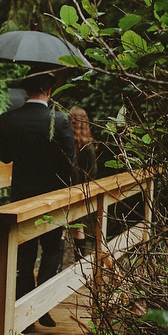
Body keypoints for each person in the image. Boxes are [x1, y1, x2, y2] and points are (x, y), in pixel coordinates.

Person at [0, 72, 76, 329]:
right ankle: (41, 305)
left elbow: (6, 157)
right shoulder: (60, 120)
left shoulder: (9, 119)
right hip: (51, 198)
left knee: (24, 253)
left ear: (25, 90)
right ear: (49, 91)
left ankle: (25, 308)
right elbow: (70, 164)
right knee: (52, 250)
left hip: (21, 197)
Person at [68, 106, 98, 259]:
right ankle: (79, 263)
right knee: (79, 228)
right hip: (82, 192)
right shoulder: (88, 146)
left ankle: (58, 267)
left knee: (61, 227)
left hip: (65, 190)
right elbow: (92, 172)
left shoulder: (66, 144)